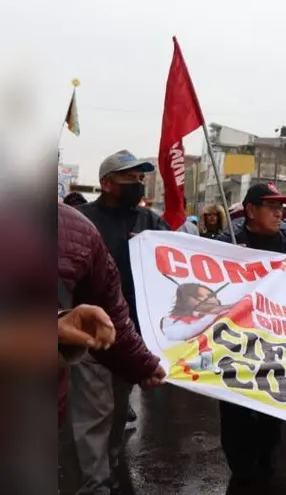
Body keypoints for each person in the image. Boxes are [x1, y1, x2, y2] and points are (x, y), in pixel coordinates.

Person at [72, 150, 171, 493]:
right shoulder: (79, 219)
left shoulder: (151, 223)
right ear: (106, 183)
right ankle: (94, 483)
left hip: (131, 337)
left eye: (142, 177)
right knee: (93, 413)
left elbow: (178, 258)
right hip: (89, 334)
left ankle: (111, 465)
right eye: (130, 177)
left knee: (117, 413)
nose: (139, 183)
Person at [212, 183, 286, 487]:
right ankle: (241, 469)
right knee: (236, 408)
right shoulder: (227, 242)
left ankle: (265, 460)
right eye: (271, 206)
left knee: (272, 407)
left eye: (282, 207)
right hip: (236, 345)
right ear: (250, 210)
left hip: (277, 344)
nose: (280, 213)